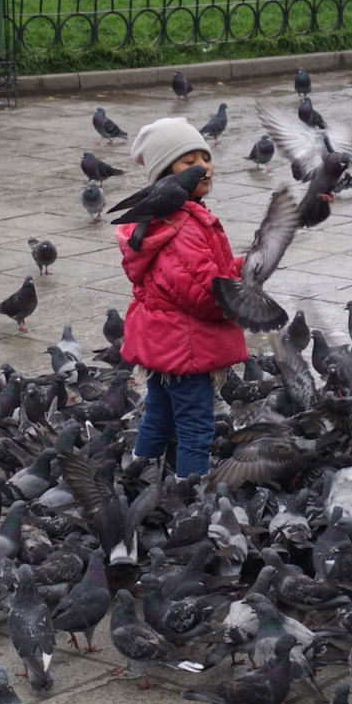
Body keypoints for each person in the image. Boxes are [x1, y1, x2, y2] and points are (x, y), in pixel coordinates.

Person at [116, 117, 246, 478]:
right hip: (186, 347)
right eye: (189, 162)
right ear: (166, 175)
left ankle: (139, 472)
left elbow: (196, 275)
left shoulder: (171, 217)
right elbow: (206, 295)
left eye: (206, 158)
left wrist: (239, 265)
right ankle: (190, 492)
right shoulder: (183, 226)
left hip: (163, 341)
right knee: (195, 426)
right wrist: (242, 288)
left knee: (159, 412)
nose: (204, 167)